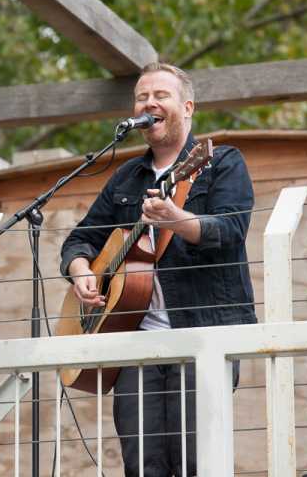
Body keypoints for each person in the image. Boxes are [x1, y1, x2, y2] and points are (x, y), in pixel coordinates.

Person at [59, 62, 258, 477]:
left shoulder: (219, 163)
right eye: (142, 97)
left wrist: (176, 220)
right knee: (142, 465)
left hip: (203, 335)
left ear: (187, 107)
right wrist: (81, 270)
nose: (149, 103)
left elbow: (231, 230)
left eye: (160, 96)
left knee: (196, 462)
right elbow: (81, 239)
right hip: (136, 344)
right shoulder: (126, 177)